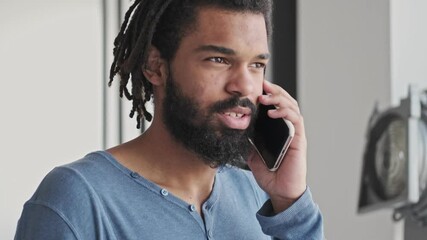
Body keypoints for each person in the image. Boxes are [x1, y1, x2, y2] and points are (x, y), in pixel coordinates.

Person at [15, 0, 324, 239]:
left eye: (256, 64)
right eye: (219, 60)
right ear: (156, 67)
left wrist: (290, 202)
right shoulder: (76, 199)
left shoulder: (259, 197)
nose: (244, 86)